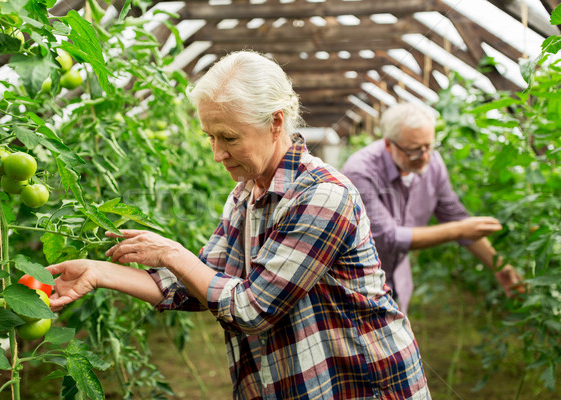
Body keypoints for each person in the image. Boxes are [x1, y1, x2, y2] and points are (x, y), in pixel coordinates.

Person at [46, 51, 431, 399]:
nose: (217, 154)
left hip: (359, 384)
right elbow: (197, 285)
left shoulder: (322, 196)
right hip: (294, 380)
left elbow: (252, 310)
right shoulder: (246, 193)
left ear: (276, 122)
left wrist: (173, 253)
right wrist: (98, 272)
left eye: (229, 137)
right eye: (210, 137)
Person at [341, 102, 522, 314]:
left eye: (429, 146)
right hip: (359, 286)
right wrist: (459, 230)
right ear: (389, 145)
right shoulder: (360, 171)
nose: (425, 156)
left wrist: (499, 266)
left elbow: (454, 216)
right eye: (414, 150)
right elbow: (387, 237)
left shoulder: (432, 163)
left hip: (398, 279)